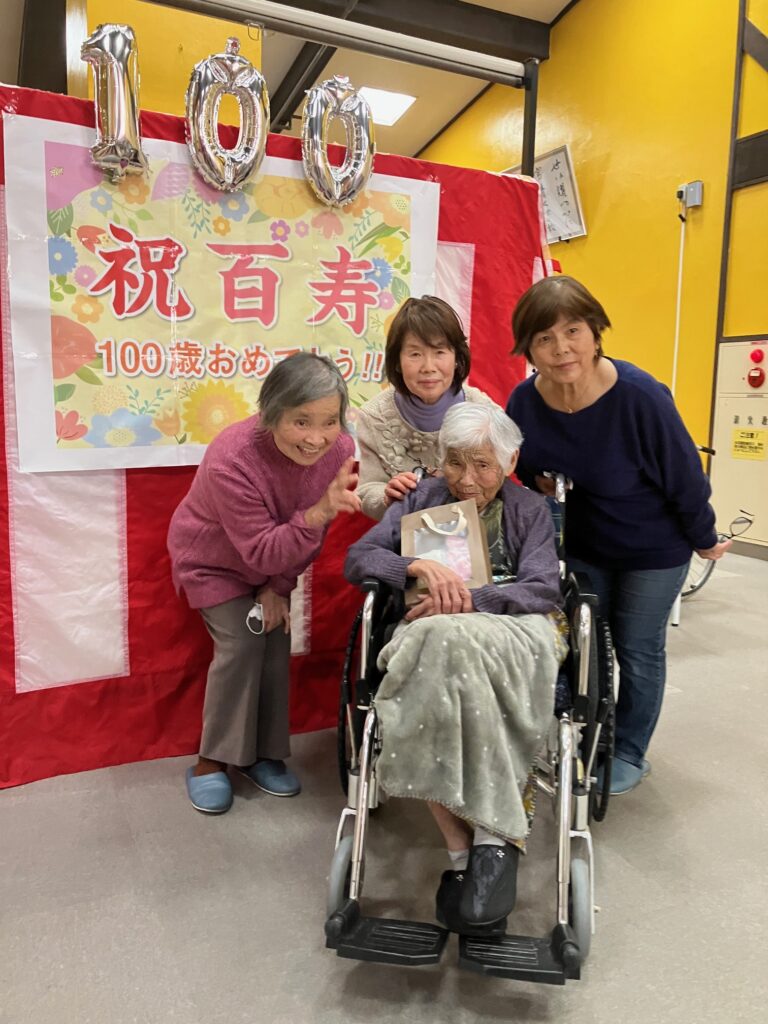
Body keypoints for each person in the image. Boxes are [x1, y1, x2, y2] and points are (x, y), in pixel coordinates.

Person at [345, 404, 566, 934]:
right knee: (438, 647)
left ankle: (479, 849)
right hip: (432, 632)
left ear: (509, 462)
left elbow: (542, 588)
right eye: (456, 463)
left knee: (443, 644)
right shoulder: (419, 499)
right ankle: (475, 848)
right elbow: (358, 558)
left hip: (510, 627)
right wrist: (413, 564)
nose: (467, 480)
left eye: (483, 465)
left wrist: (474, 599)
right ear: (440, 459)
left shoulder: (530, 508)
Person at [506, 275, 730, 796]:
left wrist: (703, 537)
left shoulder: (640, 396)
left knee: (637, 647)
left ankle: (629, 749)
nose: (561, 348)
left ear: (595, 332)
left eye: (573, 331)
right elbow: (522, 463)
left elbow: (685, 479)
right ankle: (594, 737)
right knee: (589, 646)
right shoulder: (524, 401)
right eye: (544, 338)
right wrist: (539, 479)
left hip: (654, 549)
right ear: (529, 349)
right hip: (587, 545)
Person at [168, 353, 361, 815]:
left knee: (275, 639)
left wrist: (278, 587)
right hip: (212, 562)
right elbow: (261, 547)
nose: (316, 438)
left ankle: (262, 756)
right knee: (244, 641)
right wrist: (317, 514)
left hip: (272, 563)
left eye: (329, 421)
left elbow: (310, 539)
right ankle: (210, 762)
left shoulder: (339, 450)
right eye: (301, 422)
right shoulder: (232, 458)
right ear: (271, 413)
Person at [356, 295, 497, 520]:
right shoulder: (373, 417)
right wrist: (387, 496)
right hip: (404, 534)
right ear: (397, 362)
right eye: (415, 354)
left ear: (457, 358)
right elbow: (366, 491)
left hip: (477, 532)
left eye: (439, 352)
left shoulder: (486, 413)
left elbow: (501, 483)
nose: (428, 367)